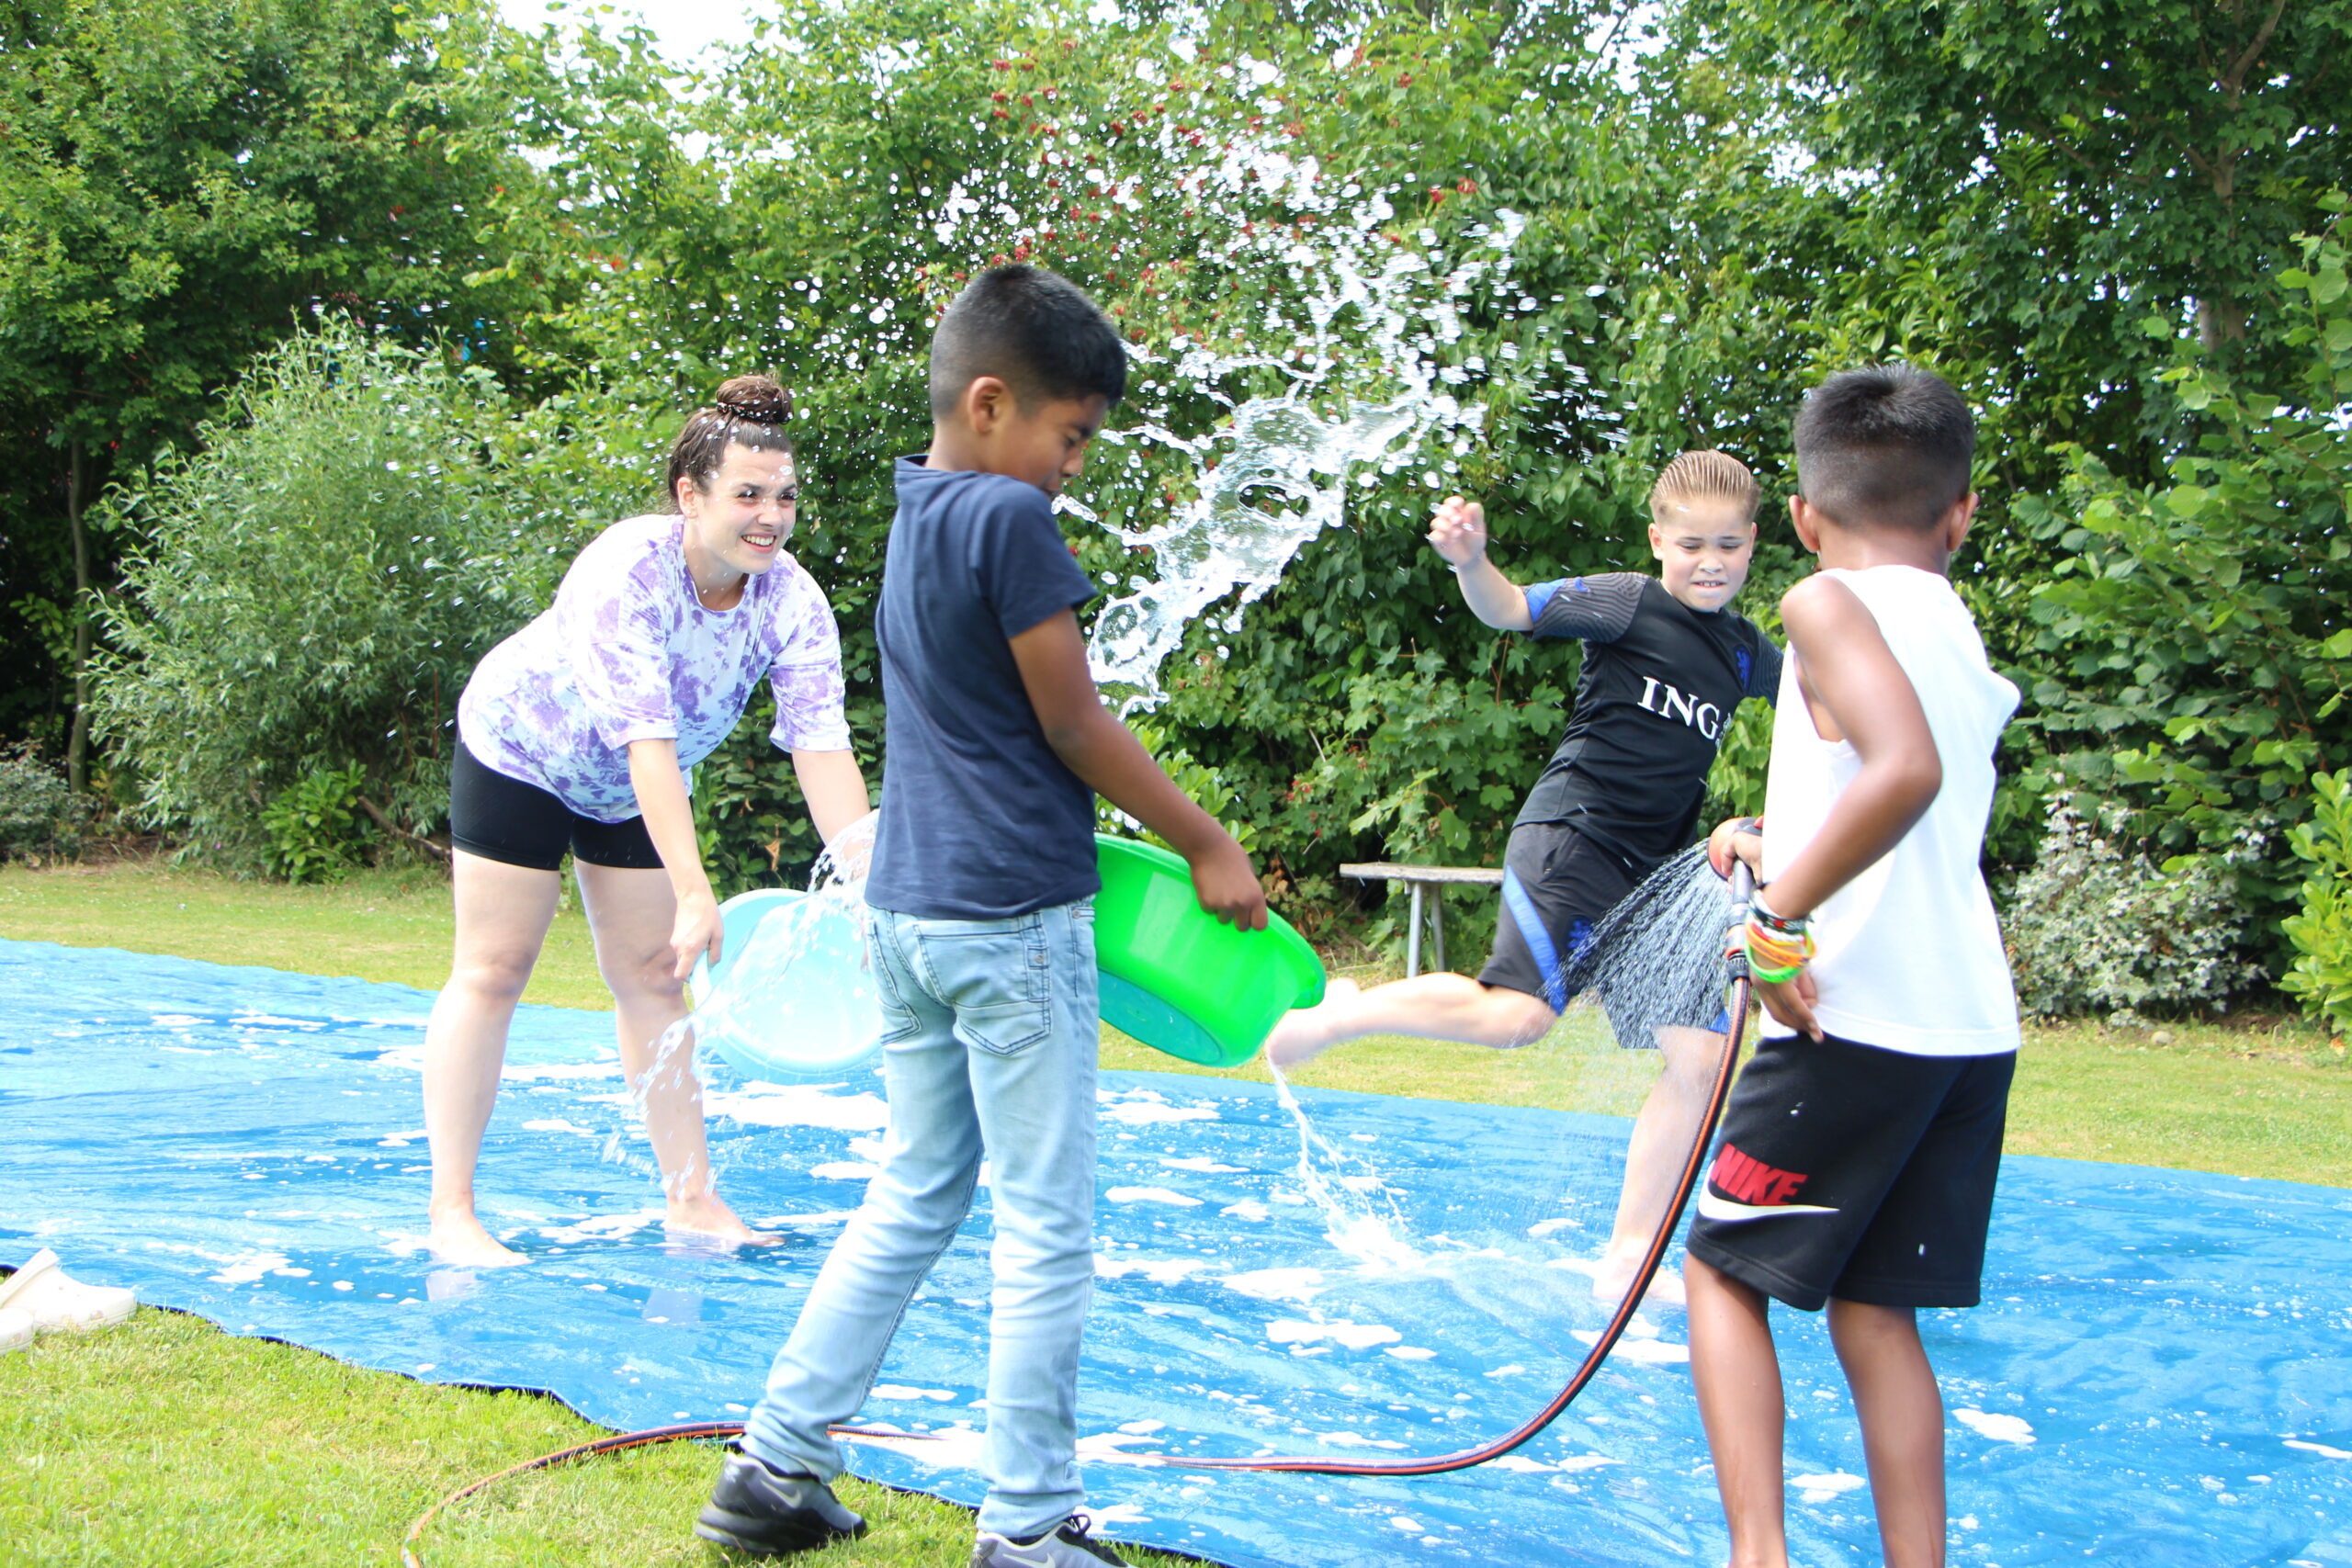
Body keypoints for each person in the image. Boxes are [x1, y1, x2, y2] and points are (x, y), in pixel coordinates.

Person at [695, 267, 1265, 1567]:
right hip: (1010, 914)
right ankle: (1027, 1524)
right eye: (1071, 435)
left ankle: (773, 1466)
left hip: (906, 910)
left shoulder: (919, 505)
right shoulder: (1009, 520)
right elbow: (1073, 720)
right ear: (996, 404)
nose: (1071, 466)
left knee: (916, 1187)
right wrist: (1206, 840)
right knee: (1047, 1216)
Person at [1265, 451, 1781, 1303]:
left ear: (1755, 543)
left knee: (1705, 1057)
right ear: (1658, 540)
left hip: (1655, 879)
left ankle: (1628, 1258)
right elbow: (1506, 608)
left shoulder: (1744, 653)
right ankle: (1343, 1015)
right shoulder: (1626, 600)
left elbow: (1821, 696)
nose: (1711, 561)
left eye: (1728, 544)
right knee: (1519, 1017)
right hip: (1573, 838)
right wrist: (1471, 560)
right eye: (1691, 544)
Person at [423, 376, 872, 1269]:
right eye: (747, 494)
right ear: (690, 495)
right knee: (496, 966)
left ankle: (693, 1202)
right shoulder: (627, 570)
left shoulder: (791, 601)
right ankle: (453, 1212)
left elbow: (821, 748)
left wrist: (865, 883)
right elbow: (647, 738)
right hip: (524, 751)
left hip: (633, 783)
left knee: (653, 980)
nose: (769, 516)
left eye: (783, 496)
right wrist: (695, 892)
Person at [1687, 366, 2020, 1568]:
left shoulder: (1822, 603)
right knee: (1880, 1313)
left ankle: (1758, 1553)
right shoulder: (1956, 625)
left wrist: (1770, 918)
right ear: (1961, 514)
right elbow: (1891, 795)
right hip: (1968, 1029)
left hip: (1853, 1020)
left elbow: (1901, 770)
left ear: (1807, 519)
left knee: (1722, 1272)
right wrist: (1771, 841)